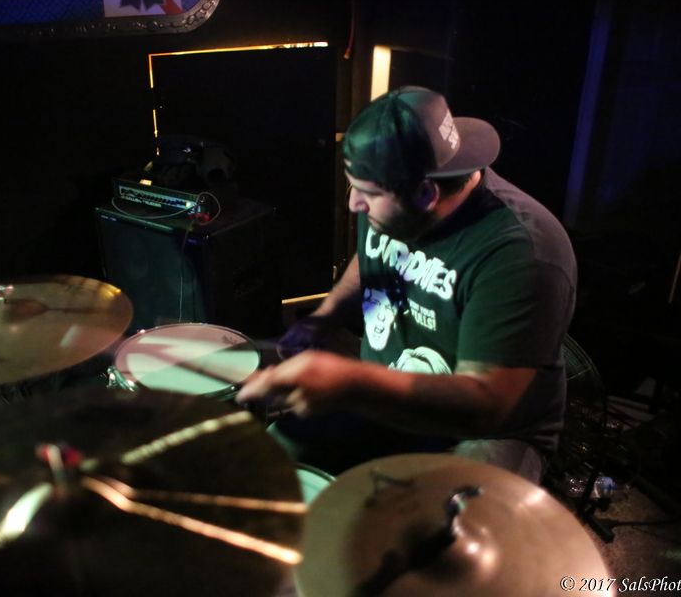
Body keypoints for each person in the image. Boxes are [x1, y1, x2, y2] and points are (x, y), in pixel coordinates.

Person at [236, 86, 576, 484]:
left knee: (444, 518)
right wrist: (325, 317)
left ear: (426, 193)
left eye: (368, 193)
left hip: (486, 428)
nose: (353, 203)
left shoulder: (521, 253)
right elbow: (372, 255)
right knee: (271, 461)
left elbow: (487, 404)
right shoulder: (394, 195)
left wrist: (350, 382)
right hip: (388, 393)